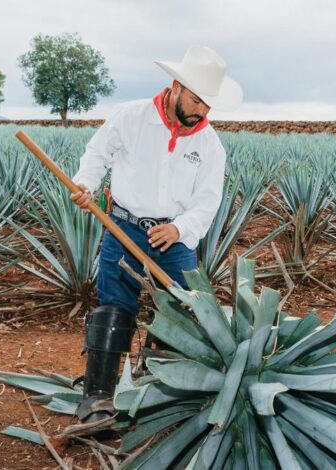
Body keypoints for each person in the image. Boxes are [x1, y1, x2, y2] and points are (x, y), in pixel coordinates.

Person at [70, 45, 242, 421]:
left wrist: (180, 228)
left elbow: (208, 200)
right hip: (123, 227)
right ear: (176, 86)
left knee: (177, 313)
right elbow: (97, 154)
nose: (201, 112)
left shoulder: (209, 143)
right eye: (197, 100)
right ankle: (98, 399)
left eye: (208, 106)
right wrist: (85, 184)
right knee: (115, 307)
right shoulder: (130, 117)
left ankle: (152, 392)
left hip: (174, 240)